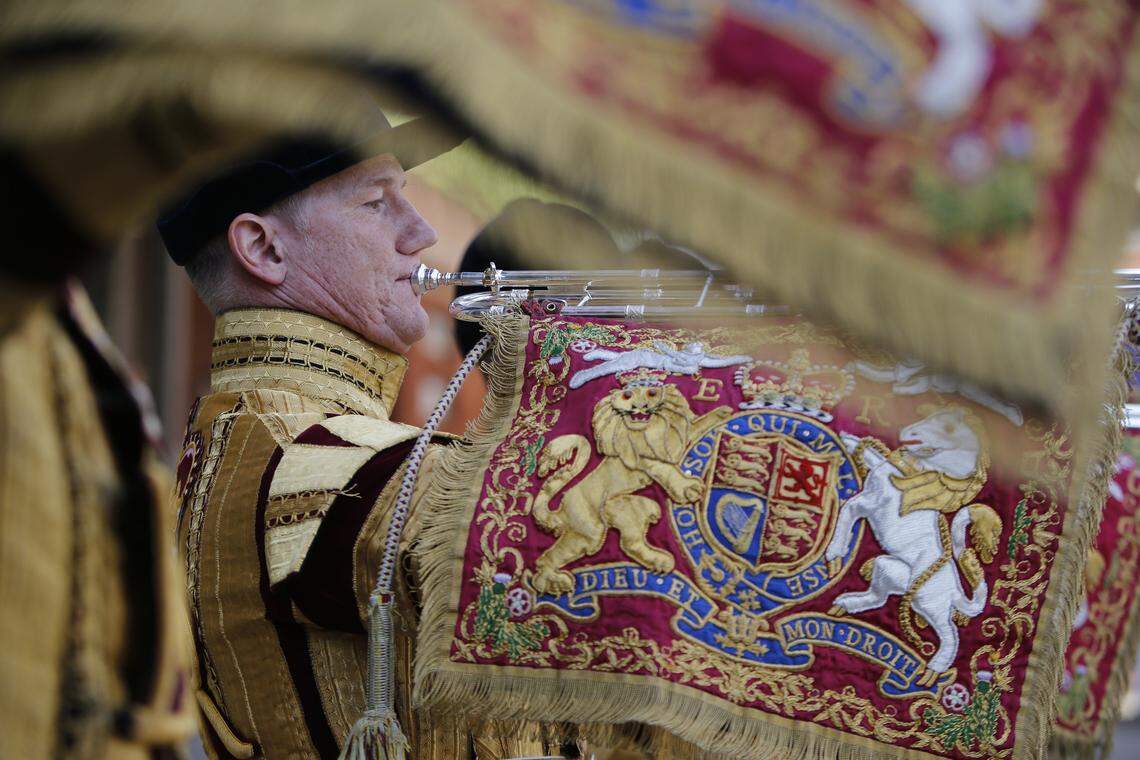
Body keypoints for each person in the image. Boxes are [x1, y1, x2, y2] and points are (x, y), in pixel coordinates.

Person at [159, 119, 579, 758]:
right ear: (263, 250)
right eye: (376, 202)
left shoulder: (249, 434)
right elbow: (591, 569)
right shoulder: (311, 457)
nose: (422, 232)